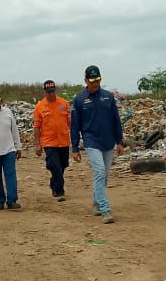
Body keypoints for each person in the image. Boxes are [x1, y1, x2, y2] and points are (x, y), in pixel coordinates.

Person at [70, 65, 124, 224]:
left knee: (105, 175)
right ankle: (105, 208)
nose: (95, 84)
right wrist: (75, 148)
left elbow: (116, 121)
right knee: (99, 171)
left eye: (98, 80)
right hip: (91, 141)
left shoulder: (108, 97)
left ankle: (96, 201)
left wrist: (119, 142)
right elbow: (75, 126)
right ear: (86, 80)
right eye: (92, 81)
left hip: (108, 142)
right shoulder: (79, 100)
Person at [33, 79, 71, 201]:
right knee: (55, 166)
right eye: (48, 92)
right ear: (45, 92)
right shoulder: (39, 106)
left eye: (52, 91)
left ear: (55, 90)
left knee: (63, 164)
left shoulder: (64, 103)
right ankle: (60, 191)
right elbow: (36, 127)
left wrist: (76, 137)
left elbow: (70, 123)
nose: (51, 94)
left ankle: (54, 182)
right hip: (49, 142)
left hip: (64, 141)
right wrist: (37, 145)